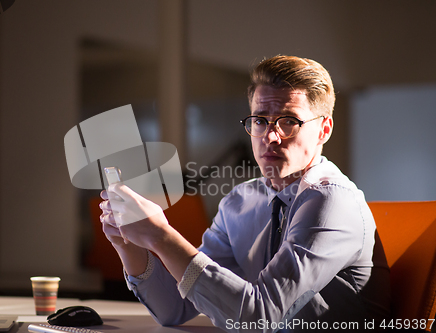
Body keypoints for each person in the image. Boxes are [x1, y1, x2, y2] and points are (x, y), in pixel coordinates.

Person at [99, 55, 391, 332]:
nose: (270, 136)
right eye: (260, 120)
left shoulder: (331, 201)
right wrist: (129, 244)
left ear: (324, 129)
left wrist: (161, 236)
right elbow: (175, 307)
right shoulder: (241, 202)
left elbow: (258, 318)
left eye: (289, 121)